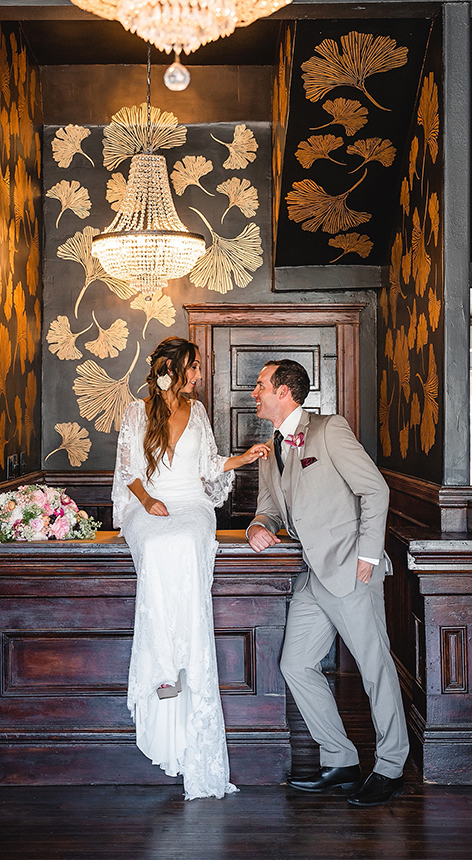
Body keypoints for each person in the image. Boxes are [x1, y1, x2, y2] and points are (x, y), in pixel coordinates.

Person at [246, 359, 409, 807]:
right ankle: (340, 760)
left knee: (375, 669)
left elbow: (375, 490)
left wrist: (368, 556)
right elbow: (268, 509)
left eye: (260, 385)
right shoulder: (269, 450)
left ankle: (391, 767)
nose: (254, 393)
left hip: (351, 569)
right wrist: (257, 526)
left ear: (284, 391)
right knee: (296, 665)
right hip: (311, 576)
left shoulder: (328, 429)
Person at [112, 336, 269, 800]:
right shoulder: (137, 412)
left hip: (193, 506)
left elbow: (209, 465)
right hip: (150, 505)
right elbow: (128, 472)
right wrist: (148, 501)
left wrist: (244, 458)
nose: (199, 374)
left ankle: (185, 662)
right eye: (194, 366)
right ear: (172, 369)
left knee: (184, 540)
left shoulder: (197, 411)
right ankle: (162, 666)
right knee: (159, 545)